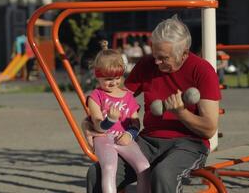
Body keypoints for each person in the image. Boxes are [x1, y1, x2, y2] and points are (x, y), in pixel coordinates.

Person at [84, 15, 221, 193]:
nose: (156, 62)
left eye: (163, 58)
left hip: (189, 144)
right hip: (148, 141)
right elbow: (116, 98)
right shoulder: (148, 63)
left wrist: (181, 112)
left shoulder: (202, 71)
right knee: (96, 173)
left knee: (162, 174)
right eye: (155, 55)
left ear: (184, 54)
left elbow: (209, 129)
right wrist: (88, 123)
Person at [87, 46, 150, 193]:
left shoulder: (127, 96)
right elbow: (97, 125)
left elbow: (135, 121)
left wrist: (130, 134)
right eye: (108, 79)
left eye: (117, 78)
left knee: (143, 166)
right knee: (109, 167)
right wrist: (110, 119)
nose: (113, 82)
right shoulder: (96, 96)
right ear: (98, 76)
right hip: (104, 138)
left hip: (123, 137)